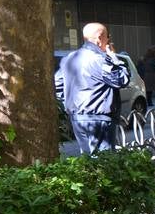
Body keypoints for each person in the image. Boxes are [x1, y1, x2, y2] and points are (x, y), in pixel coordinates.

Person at [55, 22, 132, 155]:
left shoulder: (69, 59)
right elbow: (121, 80)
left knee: (88, 160)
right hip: (100, 117)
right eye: (108, 37)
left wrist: (70, 103)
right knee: (104, 162)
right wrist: (114, 57)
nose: (108, 40)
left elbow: (57, 84)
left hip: (77, 117)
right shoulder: (100, 60)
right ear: (100, 38)